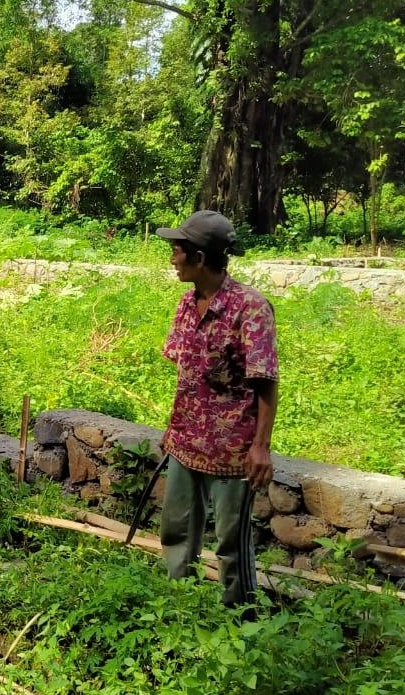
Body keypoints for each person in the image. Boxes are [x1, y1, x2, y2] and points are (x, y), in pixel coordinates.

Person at [156, 210, 278, 607]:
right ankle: (179, 605)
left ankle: (239, 620)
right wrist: (174, 430)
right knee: (175, 530)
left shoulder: (251, 309)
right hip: (186, 443)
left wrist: (260, 447)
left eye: (177, 251)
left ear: (199, 258)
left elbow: (265, 382)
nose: (172, 259)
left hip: (232, 452)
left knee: (230, 544)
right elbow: (187, 374)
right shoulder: (187, 305)